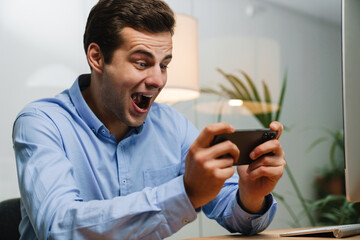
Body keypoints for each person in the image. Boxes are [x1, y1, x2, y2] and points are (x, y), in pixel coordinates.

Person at [12, 0, 286, 239]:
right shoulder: (41, 122)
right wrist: (186, 193)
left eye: (164, 64)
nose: (158, 80)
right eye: (142, 63)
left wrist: (250, 197)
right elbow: (58, 228)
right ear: (97, 58)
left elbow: (232, 211)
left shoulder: (172, 126)